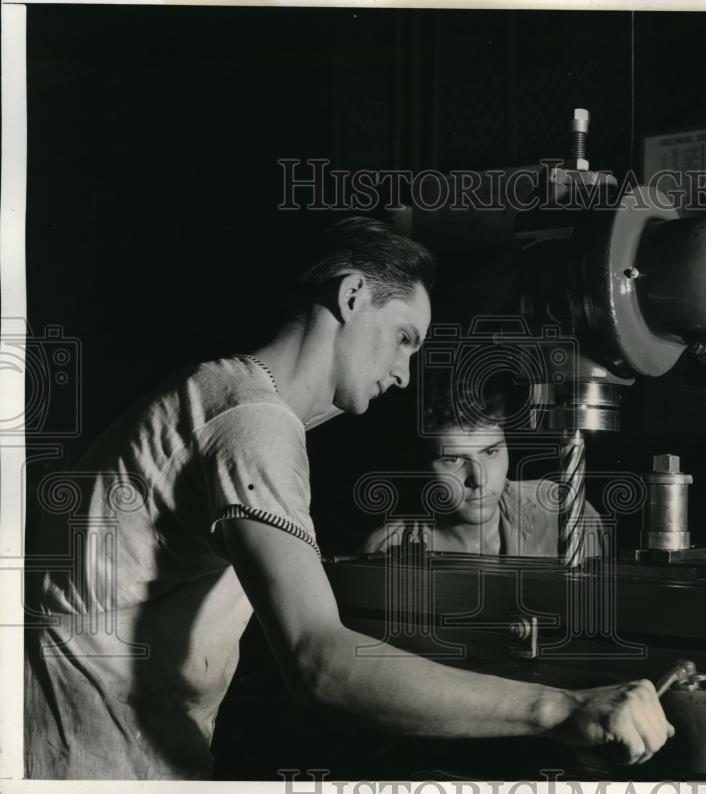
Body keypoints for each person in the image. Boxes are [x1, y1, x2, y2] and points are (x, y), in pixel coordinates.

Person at [24, 217, 672, 780]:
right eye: (404, 338)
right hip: (84, 759)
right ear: (353, 295)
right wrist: (562, 709)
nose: (404, 371)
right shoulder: (250, 423)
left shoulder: (223, 398)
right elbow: (320, 665)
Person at [360, 377, 605, 557]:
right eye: (453, 460)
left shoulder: (567, 513)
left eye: (490, 452)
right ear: (424, 465)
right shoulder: (388, 549)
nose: (479, 479)